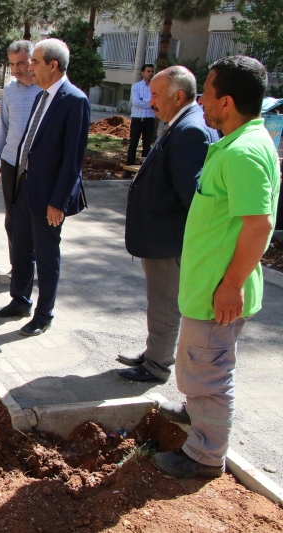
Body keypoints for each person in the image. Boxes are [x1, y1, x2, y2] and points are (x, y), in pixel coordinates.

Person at [151, 56, 279, 479]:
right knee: (200, 365)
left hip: (217, 293)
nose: (200, 99)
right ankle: (196, 412)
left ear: (226, 102)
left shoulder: (243, 152)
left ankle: (204, 455)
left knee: (209, 372)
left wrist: (230, 285)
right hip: (208, 287)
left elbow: (259, 225)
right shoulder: (235, 142)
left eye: (206, 92)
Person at [117, 66, 220, 383]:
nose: (151, 101)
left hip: (169, 240)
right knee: (159, 302)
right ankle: (154, 352)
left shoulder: (190, 131)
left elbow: (191, 195)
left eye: (156, 95)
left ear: (178, 96)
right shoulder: (182, 124)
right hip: (163, 237)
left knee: (164, 304)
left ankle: (157, 365)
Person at [5, 38, 90, 336]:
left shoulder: (75, 101)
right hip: (25, 185)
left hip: (49, 196)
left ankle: (43, 315)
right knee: (21, 246)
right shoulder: (41, 96)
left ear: (53, 65)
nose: (30, 67)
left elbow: (73, 159)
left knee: (46, 254)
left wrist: (59, 202)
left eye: (35, 62)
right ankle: (20, 300)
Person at [0, 40, 43, 319]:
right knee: (12, 224)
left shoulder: (45, 91)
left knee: (28, 230)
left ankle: (23, 291)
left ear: (32, 61)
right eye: (12, 64)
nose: (16, 69)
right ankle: (19, 282)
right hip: (10, 165)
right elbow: (2, 129)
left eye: (21, 63)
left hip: (35, 170)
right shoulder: (9, 91)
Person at [125, 64, 156, 171]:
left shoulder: (155, 88)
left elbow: (156, 102)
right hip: (137, 119)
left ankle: (144, 171)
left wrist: (144, 100)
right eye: (148, 71)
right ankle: (129, 169)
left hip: (149, 120)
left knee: (147, 146)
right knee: (133, 145)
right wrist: (150, 103)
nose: (150, 73)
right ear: (142, 73)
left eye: (152, 71)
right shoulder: (136, 86)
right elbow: (136, 102)